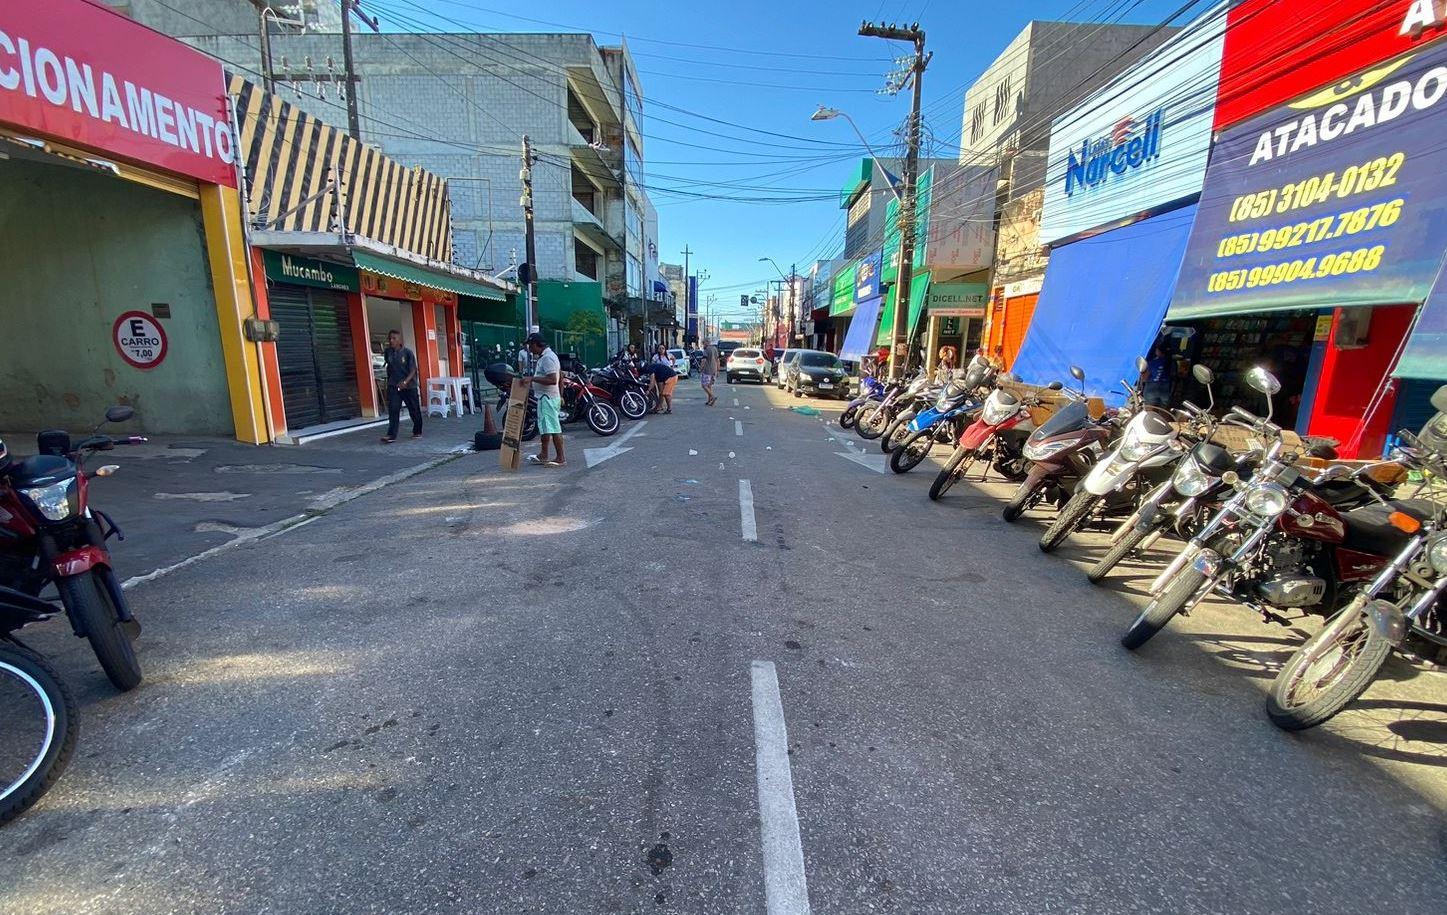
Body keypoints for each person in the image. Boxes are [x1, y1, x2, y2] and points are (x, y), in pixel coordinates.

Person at [524, 332, 566, 467]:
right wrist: (560, 396)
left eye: (530, 345)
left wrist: (532, 379)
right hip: (547, 398)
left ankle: (560, 458)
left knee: (553, 428)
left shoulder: (548, 358)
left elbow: (553, 379)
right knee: (546, 428)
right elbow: (561, 377)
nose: (529, 349)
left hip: (547, 398)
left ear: (537, 344)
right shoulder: (546, 357)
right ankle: (544, 454)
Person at [380, 330, 422, 443]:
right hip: (394, 385)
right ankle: (391, 435)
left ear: (399, 340)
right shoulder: (388, 352)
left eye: (394, 338)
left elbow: (413, 369)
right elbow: (389, 366)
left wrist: (405, 382)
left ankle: (417, 430)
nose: (391, 341)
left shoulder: (408, 353)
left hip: (409, 386)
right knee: (393, 409)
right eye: (390, 338)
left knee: (414, 409)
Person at [645, 346, 679, 413]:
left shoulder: (651, 369)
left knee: (666, 393)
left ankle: (669, 409)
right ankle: (659, 406)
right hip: (661, 376)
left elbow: (652, 382)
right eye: (660, 348)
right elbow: (653, 381)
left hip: (670, 376)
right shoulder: (655, 357)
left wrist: (648, 390)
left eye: (663, 348)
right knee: (661, 393)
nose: (661, 350)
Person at [1142, 342, 1172, 407]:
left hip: (1151, 388)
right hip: (1165, 387)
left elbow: (1145, 378)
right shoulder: (1171, 362)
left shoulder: (1151, 363)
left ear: (1158, 351)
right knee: (1164, 410)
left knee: (1150, 410)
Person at [700, 338, 721, 406]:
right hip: (714, 370)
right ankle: (709, 400)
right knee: (709, 385)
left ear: (706, 343)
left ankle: (712, 397)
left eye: (703, 343)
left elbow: (704, 360)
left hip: (707, 370)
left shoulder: (706, 350)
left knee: (704, 385)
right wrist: (718, 370)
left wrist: (700, 368)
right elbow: (718, 360)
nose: (703, 345)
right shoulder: (715, 349)